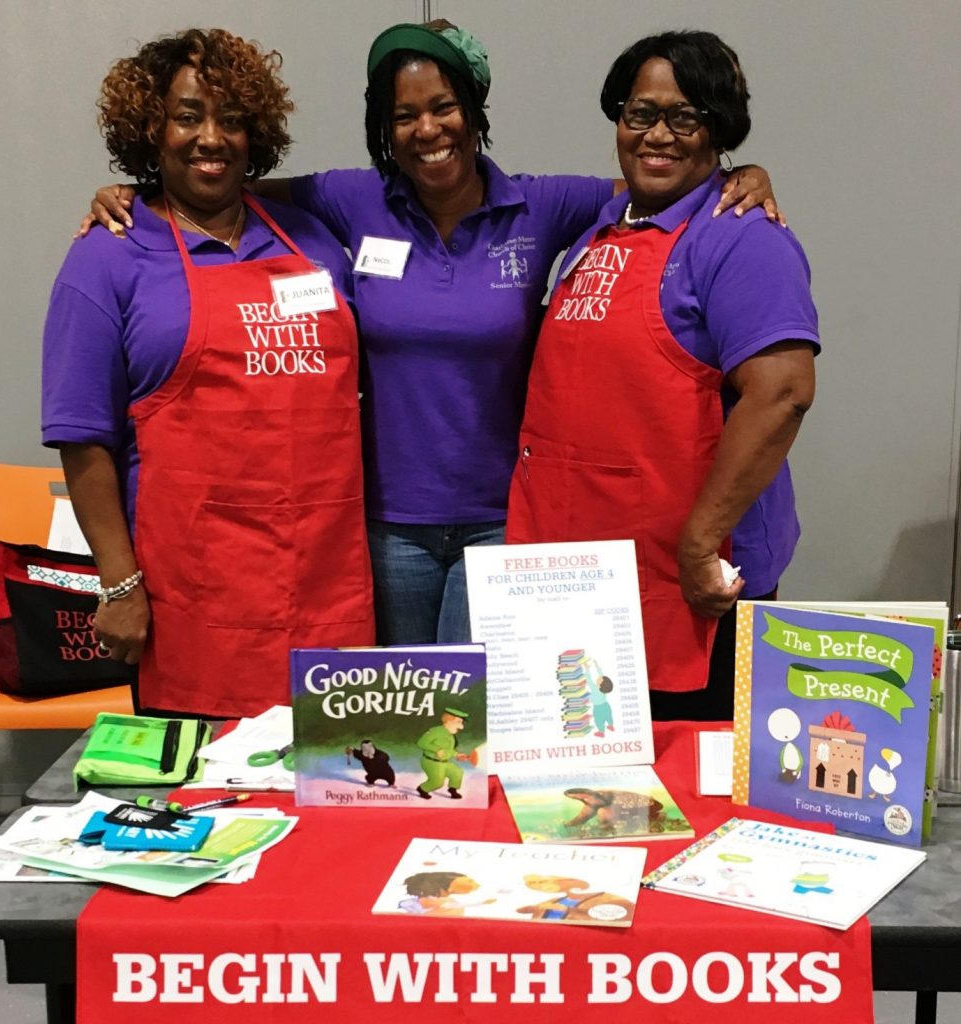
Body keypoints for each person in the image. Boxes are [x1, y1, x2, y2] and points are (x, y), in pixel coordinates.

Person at [84, 21, 781, 648]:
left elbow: (655, 178)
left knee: (473, 724)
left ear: (472, 114)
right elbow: (226, 184)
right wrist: (134, 194)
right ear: (383, 130)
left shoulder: (540, 204)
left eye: (443, 107)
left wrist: (742, 173)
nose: (427, 129)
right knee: (407, 728)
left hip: (502, 520)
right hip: (386, 527)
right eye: (404, 115)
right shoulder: (348, 200)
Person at [42, 29, 373, 719]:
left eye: (230, 118)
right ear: (150, 130)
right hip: (193, 599)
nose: (211, 138)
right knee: (208, 813)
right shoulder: (108, 258)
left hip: (328, 588)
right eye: (188, 116)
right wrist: (119, 586)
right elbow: (82, 438)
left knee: (338, 798)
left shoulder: (310, 240)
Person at [505, 30, 819, 721]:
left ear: (719, 128)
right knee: (589, 798)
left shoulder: (740, 235)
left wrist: (700, 542)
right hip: (583, 581)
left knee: (688, 801)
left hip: (682, 585)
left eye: (685, 116)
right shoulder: (600, 229)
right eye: (640, 113)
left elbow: (783, 392)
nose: (659, 135)